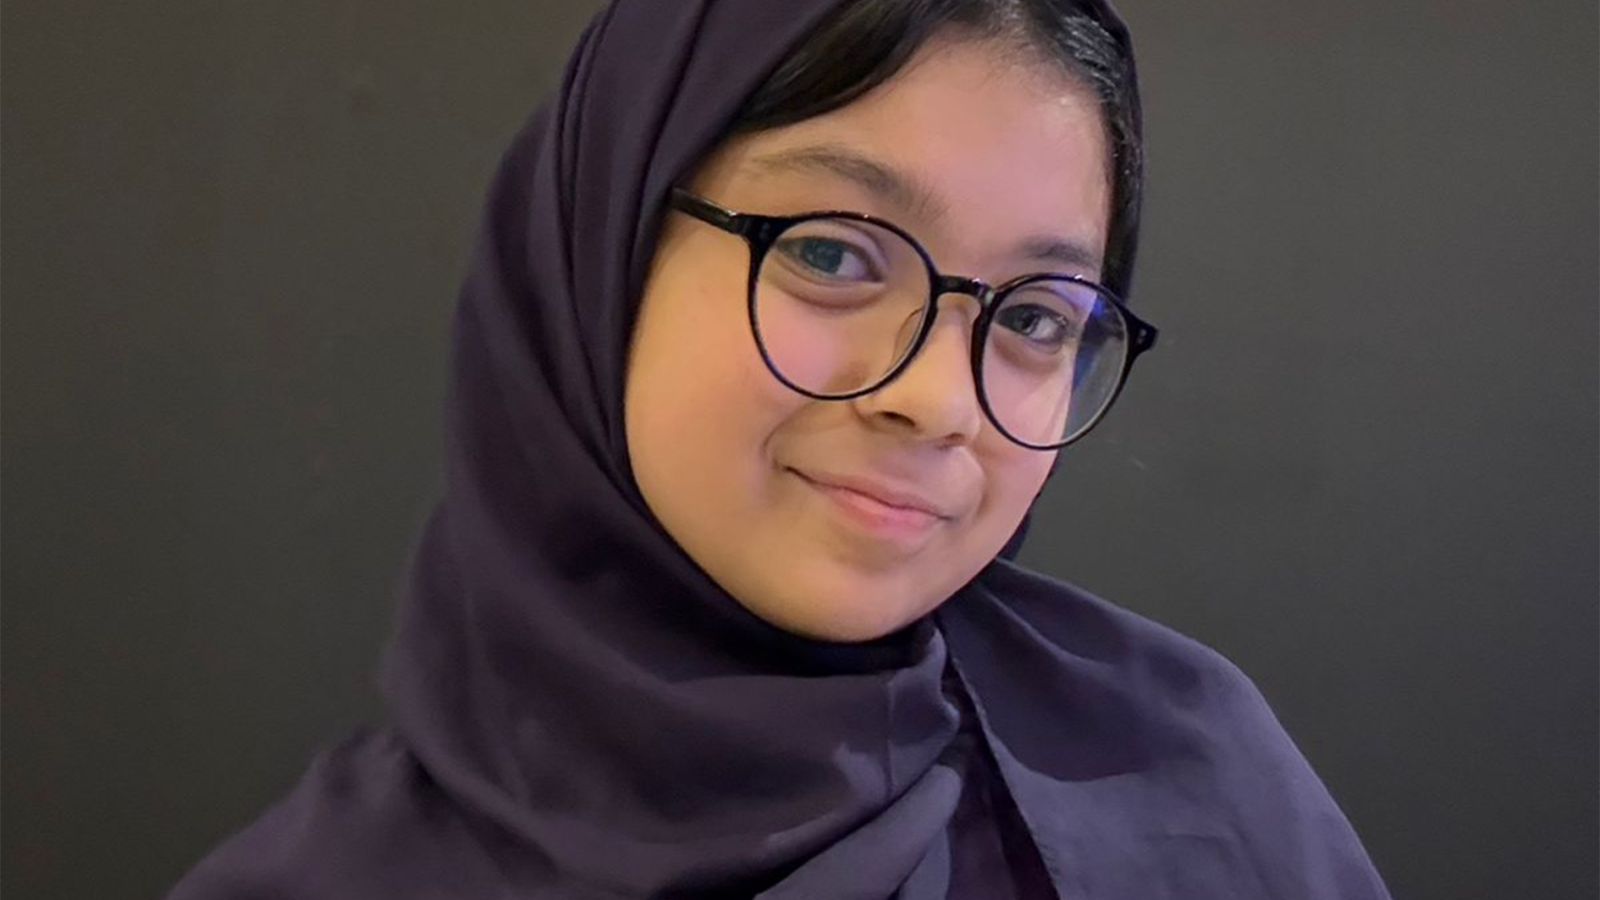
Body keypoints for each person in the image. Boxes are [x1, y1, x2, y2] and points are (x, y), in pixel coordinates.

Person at [168, 0, 1393, 896]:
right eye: (831, 253)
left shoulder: (1197, 806)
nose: (938, 401)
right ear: (603, 255)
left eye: (1032, 319)